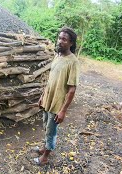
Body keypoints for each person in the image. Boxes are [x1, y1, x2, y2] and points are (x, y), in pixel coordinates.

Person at [34, 27, 80, 165]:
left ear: (71, 43)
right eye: (59, 38)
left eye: (64, 39)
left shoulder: (73, 62)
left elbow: (72, 89)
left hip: (58, 103)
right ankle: (45, 148)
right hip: (48, 99)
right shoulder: (57, 56)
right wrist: (42, 96)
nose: (60, 41)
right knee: (46, 126)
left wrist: (63, 110)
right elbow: (50, 80)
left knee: (51, 131)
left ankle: (45, 158)